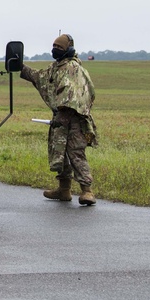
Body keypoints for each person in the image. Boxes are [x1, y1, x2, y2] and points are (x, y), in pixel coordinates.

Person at [20, 34, 97, 206]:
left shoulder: (72, 68)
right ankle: (64, 189)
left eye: (59, 47)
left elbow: (73, 94)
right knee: (60, 154)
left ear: (69, 49)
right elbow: (40, 77)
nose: (55, 49)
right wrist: (21, 67)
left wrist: (64, 114)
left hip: (74, 119)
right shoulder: (56, 67)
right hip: (60, 119)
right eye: (54, 46)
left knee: (76, 154)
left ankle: (87, 191)